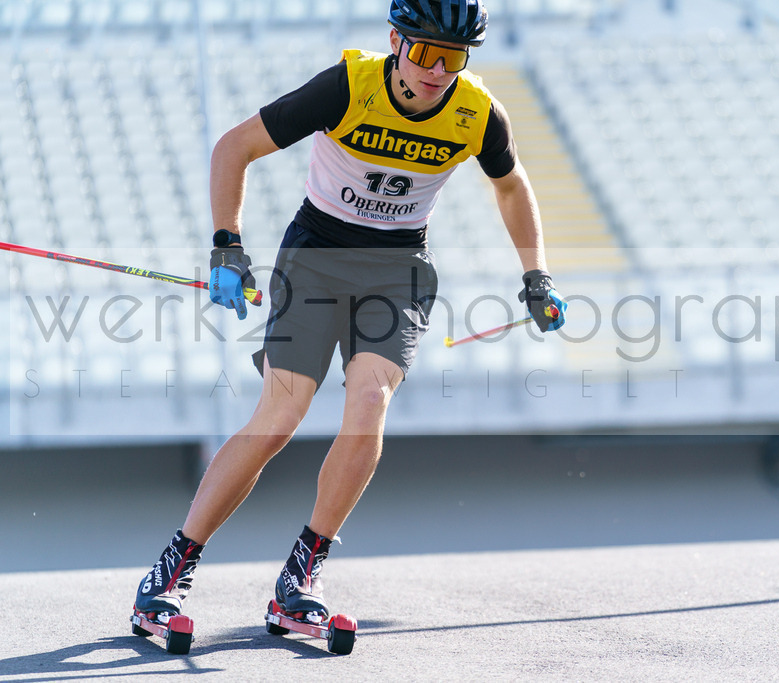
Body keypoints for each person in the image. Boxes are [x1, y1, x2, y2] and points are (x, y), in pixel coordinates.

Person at [133, 0, 567, 628]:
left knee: (369, 404)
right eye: (422, 51)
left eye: (452, 57)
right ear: (396, 40)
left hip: (398, 269)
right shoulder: (348, 87)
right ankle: (172, 568)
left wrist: (537, 274)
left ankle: (298, 577)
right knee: (281, 415)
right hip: (317, 255)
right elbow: (235, 147)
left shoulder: (476, 112)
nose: (435, 70)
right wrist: (227, 243)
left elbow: (511, 183)